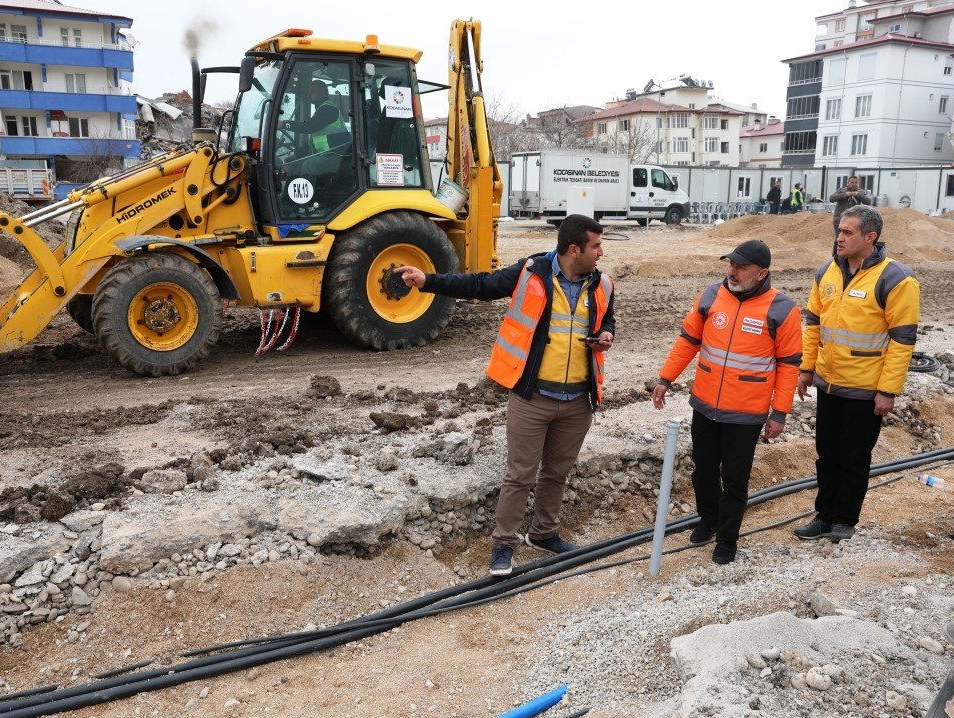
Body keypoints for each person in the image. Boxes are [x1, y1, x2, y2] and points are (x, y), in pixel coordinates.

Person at [393, 215, 615, 576]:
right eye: (597, 246)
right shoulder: (530, 272)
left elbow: (608, 320)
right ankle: (503, 545)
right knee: (519, 476)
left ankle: (544, 534)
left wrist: (606, 335)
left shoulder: (602, 283)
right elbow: (480, 285)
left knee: (557, 473)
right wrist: (428, 281)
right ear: (574, 249)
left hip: (578, 400)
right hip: (532, 397)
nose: (601, 252)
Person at [652, 240, 802, 564]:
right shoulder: (711, 296)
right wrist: (665, 379)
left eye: (741, 267)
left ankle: (727, 538)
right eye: (730, 264)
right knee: (703, 470)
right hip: (705, 404)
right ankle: (708, 519)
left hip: (746, 413)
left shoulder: (782, 309)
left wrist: (779, 412)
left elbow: (789, 366)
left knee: (734, 479)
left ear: (762, 273)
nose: (732, 271)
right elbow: (688, 341)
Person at [795, 205, 920, 543]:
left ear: (870, 237)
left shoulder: (896, 279)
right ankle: (824, 516)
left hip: (865, 389)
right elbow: (813, 325)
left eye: (847, 232)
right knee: (827, 455)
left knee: (854, 458)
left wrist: (888, 391)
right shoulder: (827, 272)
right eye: (839, 230)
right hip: (829, 385)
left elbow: (902, 340)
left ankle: (844, 520)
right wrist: (806, 369)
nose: (839, 237)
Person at [280, 80, 350, 174]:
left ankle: (308, 184)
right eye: (309, 92)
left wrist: (283, 124)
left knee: (309, 165)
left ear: (323, 92)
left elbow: (308, 127)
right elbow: (312, 142)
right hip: (325, 155)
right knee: (293, 165)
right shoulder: (321, 110)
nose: (309, 94)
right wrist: (296, 155)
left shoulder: (328, 109)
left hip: (336, 155)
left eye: (312, 91)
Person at [828, 177, 871, 256]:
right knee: (839, 238)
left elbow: (868, 201)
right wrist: (845, 195)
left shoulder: (860, 192)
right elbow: (831, 198)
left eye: (856, 182)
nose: (854, 184)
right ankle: (836, 257)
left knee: (851, 239)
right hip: (840, 220)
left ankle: (848, 256)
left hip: (854, 221)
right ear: (848, 183)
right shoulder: (842, 190)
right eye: (852, 182)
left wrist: (858, 195)